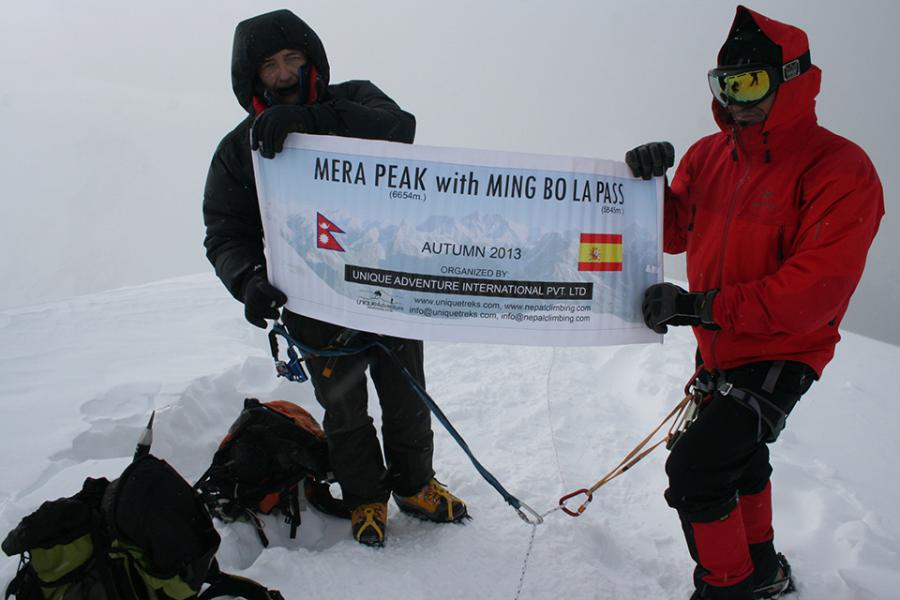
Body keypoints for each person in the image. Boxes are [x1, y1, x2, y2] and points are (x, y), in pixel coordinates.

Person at [625, 6, 883, 599]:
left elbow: (812, 293)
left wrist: (699, 306)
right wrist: (649, 185)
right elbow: (673, 232)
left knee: (696, 471)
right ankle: (764, 569)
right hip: (719, 343)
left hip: (785, 350)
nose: (737, 98)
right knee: (740, 460)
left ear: (791, 80)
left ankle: (730, 587)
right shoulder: (709, 155)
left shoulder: (840, 169)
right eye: (726, 83)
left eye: (752, 82)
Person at [202, 9, 467, 548]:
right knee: (344, 410)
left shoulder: (357, 100)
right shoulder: (238, 149)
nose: (282, 73)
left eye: (292, 58)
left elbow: (400, 129)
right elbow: (225, 231)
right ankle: (366, 496)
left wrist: (310, 124)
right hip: (313, 301)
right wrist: (249, 279)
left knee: (407, 397)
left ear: (311, 60)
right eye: (270, 65)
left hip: (390, 288)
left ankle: (416, 485)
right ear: (252, 79)